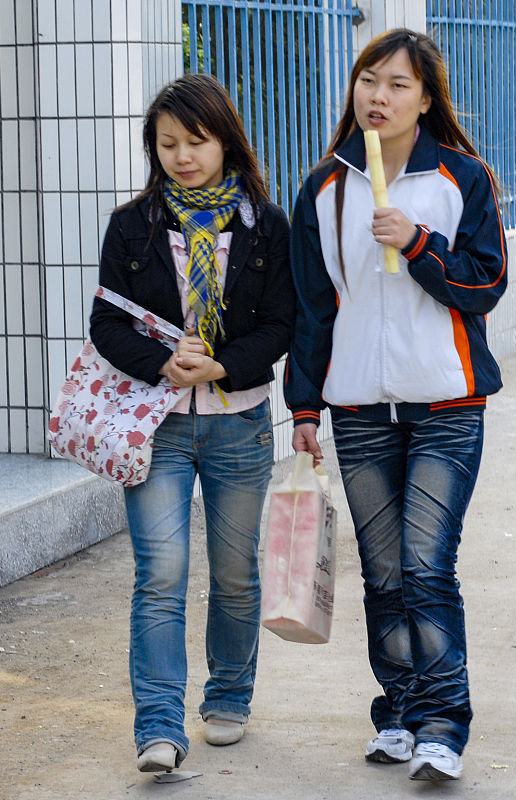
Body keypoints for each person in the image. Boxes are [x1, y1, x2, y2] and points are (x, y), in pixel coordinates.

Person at [285, 29, 506, 782]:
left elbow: (485, 284)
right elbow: (312, 311)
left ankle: (443, 724)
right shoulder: (324, 188)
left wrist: (418, 243)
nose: (378, 97)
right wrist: (304, 408)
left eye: (398, 84)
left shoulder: (461, 177)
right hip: (358, 411)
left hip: (447, 404)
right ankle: (400, 713)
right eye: (369, 80)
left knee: (425, 565)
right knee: (383, 573)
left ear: (426, 98)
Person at [89, 73, 294, 772]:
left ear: (225, 142)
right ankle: (158, 726)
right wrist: (162, 365)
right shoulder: (132, 225)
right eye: (167, 143)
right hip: (158, 426)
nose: (182, 156)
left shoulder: (265, 226)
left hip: (239, 423)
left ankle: (229, 697)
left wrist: (220, 366)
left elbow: (281, 324)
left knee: (234, 572)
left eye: (196, 142)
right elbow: (106, 323)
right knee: (162, 573)